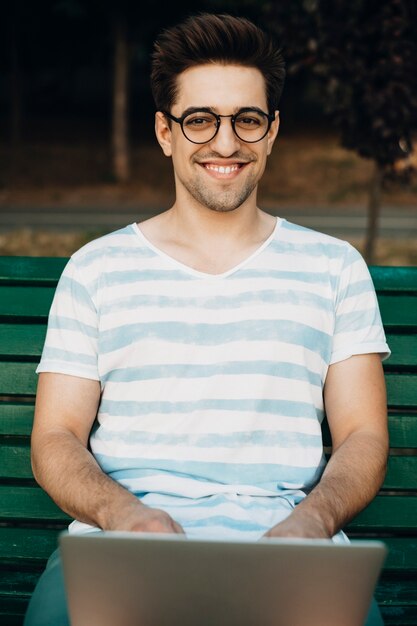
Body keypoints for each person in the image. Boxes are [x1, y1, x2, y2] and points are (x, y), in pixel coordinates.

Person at [24, 13, 390, 626]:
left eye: (247, 119)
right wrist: (123, 517)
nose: (226, 143)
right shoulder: (97, 269)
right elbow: (54, 437)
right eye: (201, 120)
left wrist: (314, 521)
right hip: (119, 545)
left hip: (292, 549)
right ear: (165, 132)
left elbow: (364, 436)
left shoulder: (335, 268)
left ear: (272, 131)